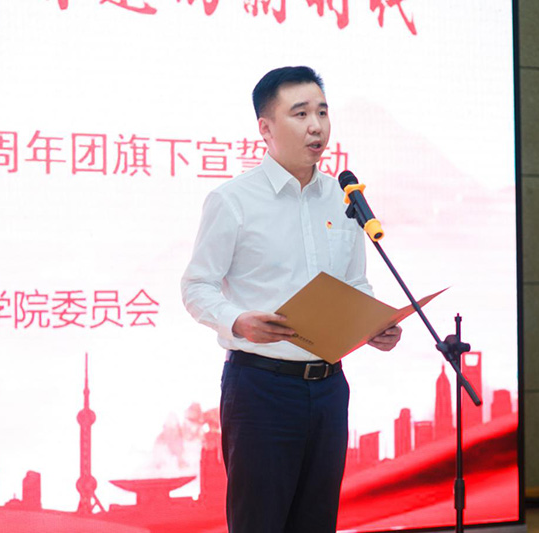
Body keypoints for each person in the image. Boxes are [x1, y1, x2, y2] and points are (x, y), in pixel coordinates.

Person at [181, 66, 402, 533]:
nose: (316, 126)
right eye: (300, 114)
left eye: (322, 112)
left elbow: (355, 283)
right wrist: (238, 321)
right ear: (265, 128)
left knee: (317, 521)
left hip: (329, 388)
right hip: (261, 388)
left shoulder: (343, 198)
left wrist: (374, 324)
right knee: (260, 521)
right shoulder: (233, 200)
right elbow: (196, 286)